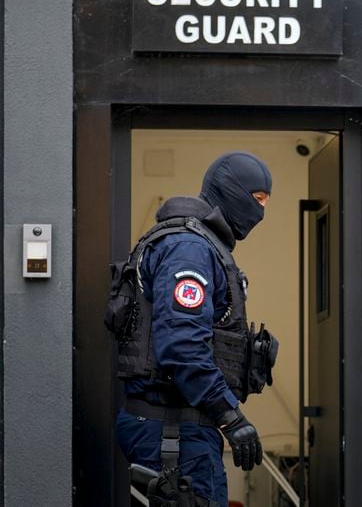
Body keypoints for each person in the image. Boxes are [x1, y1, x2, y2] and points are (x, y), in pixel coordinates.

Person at [107, 151, 278, 507]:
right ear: (231, 191)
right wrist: (231, 417)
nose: (261, 212)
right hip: (173, 430)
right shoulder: (190, 250)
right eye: (257, 199)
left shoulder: (197, 246)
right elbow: (182, 347)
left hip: (178, 428)